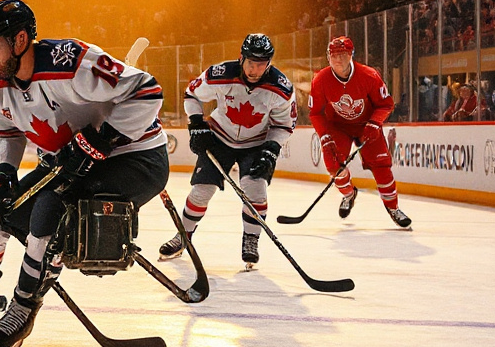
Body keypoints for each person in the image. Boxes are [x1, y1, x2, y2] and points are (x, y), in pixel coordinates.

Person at [0, 0, 168, 347]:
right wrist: (3, 175)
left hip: (135, 157)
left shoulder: (74, 61)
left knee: (51, 214)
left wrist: (101, 139)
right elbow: (5, 132)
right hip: (68, 161)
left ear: (20, 40)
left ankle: (24, 306)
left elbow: (148, 91)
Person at [157, 33, 295, 269]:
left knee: (256, 190)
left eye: (262, 64)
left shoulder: (281, 88)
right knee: (202, 190)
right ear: (241, 58)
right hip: (219, 138)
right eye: (251, 63)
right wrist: (197, 123)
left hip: (256, 142)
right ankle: (183, 236)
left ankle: (251, 239)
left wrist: (272, 148)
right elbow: (192, 94)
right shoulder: (220, 74)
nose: (255, 69)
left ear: (269, 63)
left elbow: (284, 125)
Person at [308, 36, 411, 228]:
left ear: (351, 55)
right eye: (334, 55)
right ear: (328, 57)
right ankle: (349, 194)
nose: (338, 60)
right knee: (333, 165)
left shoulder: (369, 75)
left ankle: (393, 208)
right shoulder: (321, 80)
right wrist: (325, 135)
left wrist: (374, 123)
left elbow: (385, 104)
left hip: (366, 125)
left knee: (381, 165)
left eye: (343, 54)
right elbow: (315, 112)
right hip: (337, 126)